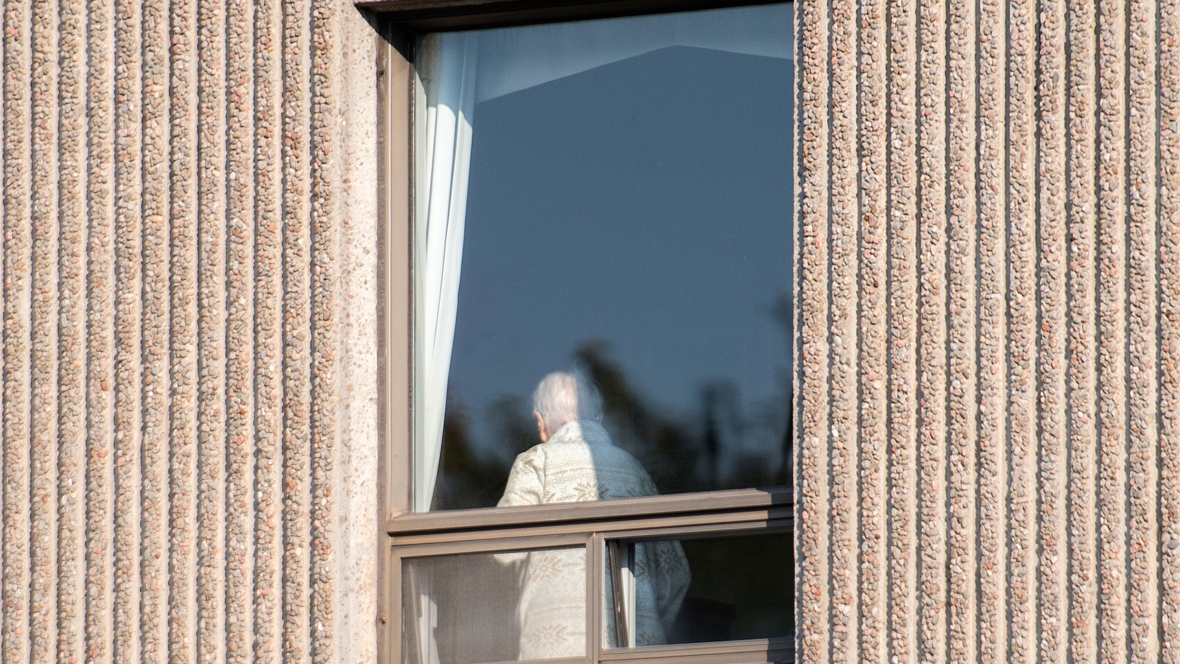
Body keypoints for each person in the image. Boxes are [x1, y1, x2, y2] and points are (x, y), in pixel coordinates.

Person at [498, 371, 691, 658]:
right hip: (637, 651)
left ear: (540, 423)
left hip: (556, 651)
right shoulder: (635, 471)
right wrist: (646, 622)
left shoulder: (536, 464)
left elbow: (500, 555)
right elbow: (676, 574)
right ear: (599, 419)